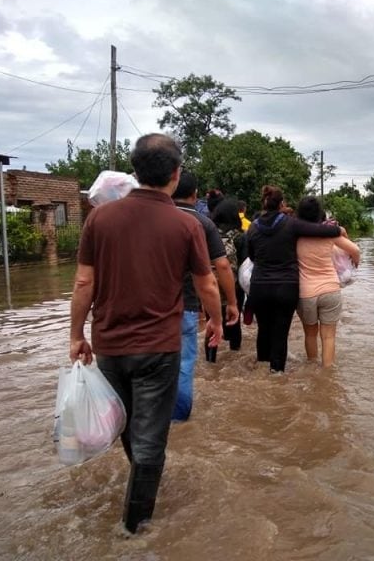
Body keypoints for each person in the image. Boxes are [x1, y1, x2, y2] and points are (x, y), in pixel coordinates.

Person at [69, 133, 226, 535]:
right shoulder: (185, 224)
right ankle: (136, 528)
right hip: (159, 347)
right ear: (175, 174)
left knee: (127, 423)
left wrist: (76, 335)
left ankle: (141, 482)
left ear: (135, 171)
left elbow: (84, 282)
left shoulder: (99, 219)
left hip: (110, 345)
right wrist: (216, 320)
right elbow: (206, 283)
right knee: (151, 436)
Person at [246, 185, 343, 373]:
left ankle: (261, 371)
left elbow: (251, 256)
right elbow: (321, 231)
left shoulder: (252, 227)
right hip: (286, 288)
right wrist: (337, 229)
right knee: (280, 334)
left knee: (264, 331)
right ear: (282, 203)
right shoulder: (291, 223)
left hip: (259, 286)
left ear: (263, 203)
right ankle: (277, 374)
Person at [172, 170, 238, 420]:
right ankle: (178, 421)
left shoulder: (145, 218)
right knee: (183, 367)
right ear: (194, 194)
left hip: (141, 307)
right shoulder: (201, 223)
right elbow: (219, 269)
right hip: (185, 305)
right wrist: (228, 306)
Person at [295, 196, 360, 369]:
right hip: (330, 290)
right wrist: (355, 262)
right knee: (329, 336)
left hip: (305, 292)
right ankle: (327, 374)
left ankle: (311, 368)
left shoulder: (294, 235)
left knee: (310, 334)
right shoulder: (329, 234)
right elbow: (355, 250)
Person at [209, 197, 247, 353]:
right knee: (234, 322)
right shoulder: (240, 236)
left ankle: (211, 360)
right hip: (233, 285)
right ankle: (234, 354)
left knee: (212, 321)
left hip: (211, 284)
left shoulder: (209, 233)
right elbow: (244, 264)